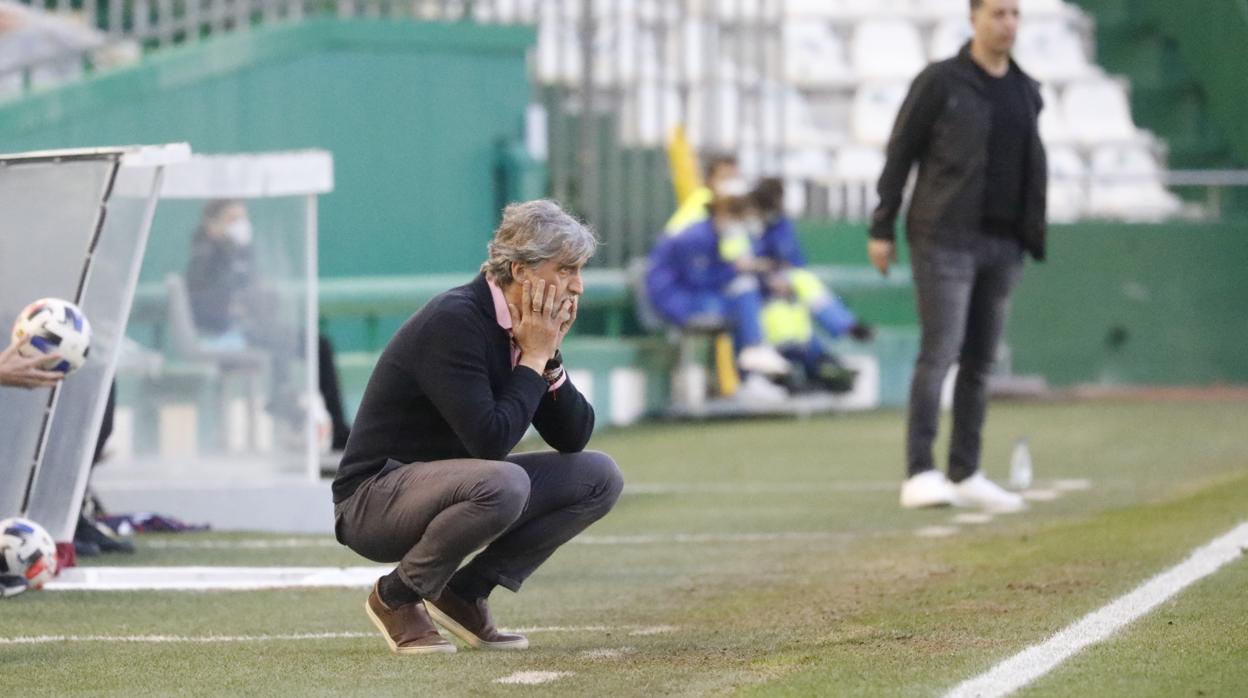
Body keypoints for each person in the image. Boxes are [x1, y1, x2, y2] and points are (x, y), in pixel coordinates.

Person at [333, 199, 624, 655]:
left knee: (598, 477)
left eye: (580, 270)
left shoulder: (527, 328)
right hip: (373, 500)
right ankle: (398, 597)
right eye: (565, 269)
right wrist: (532, 357)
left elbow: (573, 437)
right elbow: (490, 442)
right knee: (503, 480)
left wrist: (546, 358)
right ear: (521, 271)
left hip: (459, 487)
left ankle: (463, 593)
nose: (578, 286)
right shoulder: (456, 319)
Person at [869, 0, 1045, 512]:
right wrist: (882, 225)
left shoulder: (1026, 89)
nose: (1007, 23)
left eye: (1014, 14)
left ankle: (966, 470)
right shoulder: (941, 82)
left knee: (981, 362)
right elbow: (900, 153)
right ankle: (920, 471)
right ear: (973, 18)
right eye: (998, 13)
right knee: (940, 351)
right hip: (944, 237)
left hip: (1003, 243)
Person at [186, 199, 351, 450]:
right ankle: (282, 394)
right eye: (232, 219)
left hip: (257, 329)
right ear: (212, 225)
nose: (240, 226)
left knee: (319, 345)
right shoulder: (205, 256)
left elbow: (258, 298)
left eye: (243, 219)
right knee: (282, 340)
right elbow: (208, 305)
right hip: (229, 334)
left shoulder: (243, 254)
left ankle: (337, 428)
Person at [646, 178, 792, 401]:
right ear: (727, 215)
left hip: (693, 295)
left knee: (746, 293)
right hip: (676, 300)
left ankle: (753, 365)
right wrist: (736, 268)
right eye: (741, 218)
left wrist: (753, 273)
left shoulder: (712, 236)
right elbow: (698, 280)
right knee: (742, 295)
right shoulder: (696, 237)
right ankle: (753, 358)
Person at [750, 178, 873, 392]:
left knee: (799, 294)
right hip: (758, 292)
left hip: (785, 293)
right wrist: (766, 276)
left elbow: (790, 263)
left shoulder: (781, 227)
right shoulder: (753, 227)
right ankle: (841, 331)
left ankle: (820, 361)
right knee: (800, 289)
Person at [664, 153, 740, 235]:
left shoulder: (739, 204)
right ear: (710, 180)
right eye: (724, 178)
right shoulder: (703, 200)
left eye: (733, 177)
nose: (729, 184)